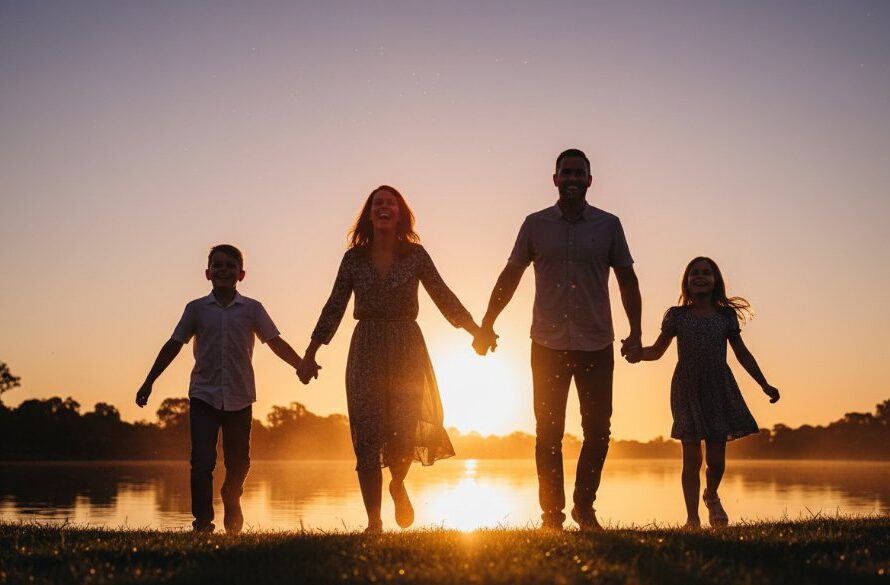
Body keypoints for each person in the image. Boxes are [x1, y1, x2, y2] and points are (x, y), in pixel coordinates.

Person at [297, 185, 482, 533]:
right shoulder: (353, 259)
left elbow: (442, 295)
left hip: (406, 345)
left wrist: (475, 330)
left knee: (403, 431)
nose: (384, 207)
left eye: (390, 203)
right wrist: (311, 352)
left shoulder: (416, 255)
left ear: (400, 214)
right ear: (369, 214)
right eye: (377, 203)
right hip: (366, 346)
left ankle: (397, 484)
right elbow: (334, 305)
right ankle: (374, 522)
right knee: (367, 434)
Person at [474, 149, 642, 531]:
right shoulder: (535, 225)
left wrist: (636, 332)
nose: (572, 178)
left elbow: (627, 280)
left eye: (579, 173)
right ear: (555, 179)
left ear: (589, 180)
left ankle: (584, 508)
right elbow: (511, 274)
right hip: (547, 343)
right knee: (548, 432)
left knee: (597, 431)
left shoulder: (610, 225)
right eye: (566, 172)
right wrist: (487, 323)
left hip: (596, 342)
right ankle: (552, 516)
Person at [135, 244, 303, 534]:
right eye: (218, 265)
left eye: (230, 265)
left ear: (241, 274)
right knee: (202, 462)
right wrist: (149, 380)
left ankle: (231, 495)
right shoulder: (196, 309)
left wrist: (300, 365)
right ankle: (203, 523)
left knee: (239, 462)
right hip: (204, 395)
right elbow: (174, 344)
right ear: (207, 273)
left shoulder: (252, 309)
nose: (223, 270)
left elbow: (274, 341)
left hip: (240, 396)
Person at [624, 256, 780, 528]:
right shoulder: (677, 316)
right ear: (686, 281)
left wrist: (764, 384)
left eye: (706, 273)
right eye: (694, 273)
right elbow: (657, 351)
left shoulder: (725, 317)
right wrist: (637, 354)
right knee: (691, 460)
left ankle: (711, 495)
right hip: (687, 388)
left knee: (716, 461)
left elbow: (742, 354)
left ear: (716, 280)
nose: (700, 276)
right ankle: (692, 518)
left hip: (718, 387)